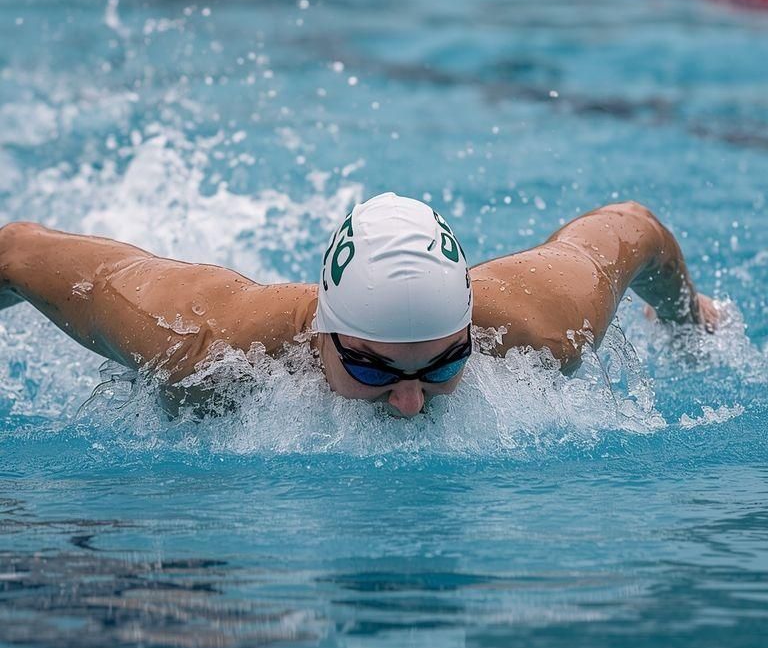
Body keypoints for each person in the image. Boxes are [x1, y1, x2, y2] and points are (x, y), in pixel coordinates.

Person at [0, 193, 717, 418]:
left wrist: (689, 321)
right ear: (323, 330)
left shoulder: (544, 330)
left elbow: (635, 230)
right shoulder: (198, 344)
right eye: (373, 371)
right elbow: (17, 252)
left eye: (444, 365)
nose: (410, 402)